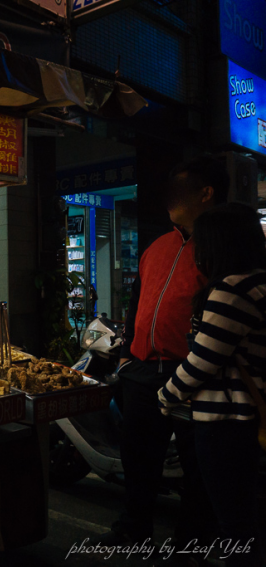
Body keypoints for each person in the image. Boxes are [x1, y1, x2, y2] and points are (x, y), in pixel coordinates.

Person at [99, 156, 229, 556]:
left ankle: (190, 546)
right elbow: (137, 300)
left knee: (197, 469)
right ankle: (133, 530)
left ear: (206, 193)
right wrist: (125, 355)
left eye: (181, 187)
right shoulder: (157, 246)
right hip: (142, 370)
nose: (169, 196)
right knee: (138, 461)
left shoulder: (222, 248)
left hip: (192, 373)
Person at [158, 204, 266, 567]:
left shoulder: (232, 290)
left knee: (236, 524)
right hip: (251, 420)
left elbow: (203, 362)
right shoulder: (259, 283)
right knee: (247, 516)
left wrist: (166, 394)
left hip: (227, 424)